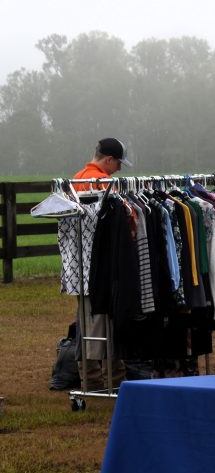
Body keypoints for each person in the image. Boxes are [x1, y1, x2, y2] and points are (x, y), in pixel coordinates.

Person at [71, 138, 132, 389]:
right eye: (118, 163)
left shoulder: (75, 180)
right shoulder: (105, 185)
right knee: (108, 321)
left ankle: (90, 379)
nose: (119, 168)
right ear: (108, 159)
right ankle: (113, 380)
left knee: (84, 323)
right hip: (103, 266)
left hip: (79, 267)